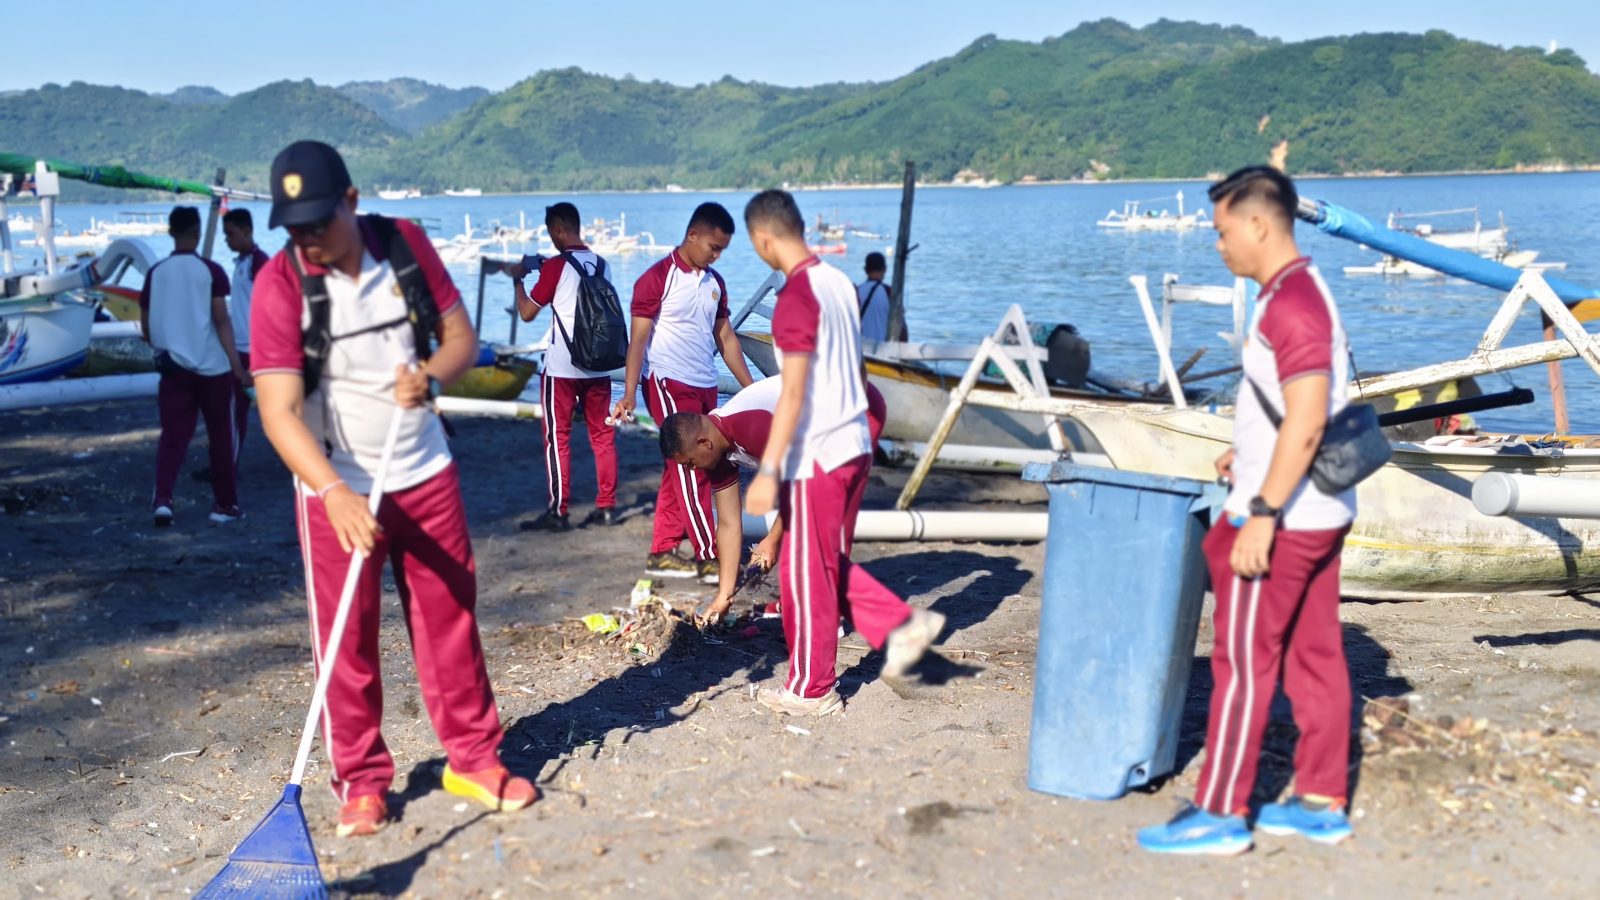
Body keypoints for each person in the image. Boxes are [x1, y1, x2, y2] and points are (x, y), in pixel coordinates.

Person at [250, 140, 535, 838]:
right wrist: (329, 492)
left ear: (350, 201)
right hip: (336, 483)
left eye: (319, 221)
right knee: (345, 637)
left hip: (423, 469)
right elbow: (277, 411)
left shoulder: (402, 245)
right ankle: (361, 781)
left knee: (449, 617)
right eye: (295, 228)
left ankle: (471, 757)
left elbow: (461, 338)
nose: (309, 239)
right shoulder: (280, 286)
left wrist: (433, 376)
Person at [1137, 166, 1358, 855]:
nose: (1218, 245)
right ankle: (1322, 799)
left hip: (1284, 519)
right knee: (1316, 655)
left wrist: (1260, 507)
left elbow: (1311, 417)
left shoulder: (1290, 304)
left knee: (1241, 663)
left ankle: (1221, 812)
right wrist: (1249, 452)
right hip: (1321, 507)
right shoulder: (1301, 291)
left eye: (1223, 231)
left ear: (1260, 225)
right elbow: (1293, 409)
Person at [739, 189, 943, 717]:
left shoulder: (796, 299)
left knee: (806, 571)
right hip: (853, 439)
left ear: (763, 239)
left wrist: (769, 473)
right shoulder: (838, 282)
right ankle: (899, 625)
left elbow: (794, 392)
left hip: (821, 450)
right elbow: (854, 370)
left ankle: (812, 689)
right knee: (819, 561)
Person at [658, 377, 888, 625]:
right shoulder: (716, 450)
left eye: (690, 463)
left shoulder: (752, 427)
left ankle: (827, 615)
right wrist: (725, 594)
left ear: (704, 443)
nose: (692, 470)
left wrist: (772, 540)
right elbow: (728, 522)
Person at [612, 202, 756, 583]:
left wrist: (753, 390)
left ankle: (662, 552)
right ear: (692, 235)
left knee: (679, 467)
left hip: (705, 384)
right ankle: (711, 560)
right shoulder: (656, 278)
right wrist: (628, 393)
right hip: (667, 382)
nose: (716, 254)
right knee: (694, 473)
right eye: (713, 246)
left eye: (722, 249)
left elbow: (725, 338)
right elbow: (637, 341)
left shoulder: (715, 283)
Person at [504, 202, 619, 531]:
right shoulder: (602, 264)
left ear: (557, 228)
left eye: (550, 232)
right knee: (602, 435)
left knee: (559, 438)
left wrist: (518, 279)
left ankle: (559, 511)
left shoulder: (556, 266)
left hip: (562, 369)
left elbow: (527, 313)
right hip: (599, 365)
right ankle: (607, 506)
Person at [140, 205, 249, 526]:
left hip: (173, 367)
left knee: (173, 436)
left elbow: (146, 326)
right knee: (221, 437)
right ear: (197, 232)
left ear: (170, 231)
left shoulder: (155, 273)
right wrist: (237, 365)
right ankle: (224, 504)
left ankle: (163, 499)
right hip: (213, 368)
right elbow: (221, 320)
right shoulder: (211, 271)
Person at [221, 207, 268, 480]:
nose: (227, 239)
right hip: (240, 348)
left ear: (247, 231)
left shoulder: (258, 262)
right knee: (233, 414)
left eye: (231, 234)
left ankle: (227, 468)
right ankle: (227, 465)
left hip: (253, 350)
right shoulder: (241, 262)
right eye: (225, 234)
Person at [855, 252, 891, 343]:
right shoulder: (890, 292)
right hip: (883, 351)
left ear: (865, 270)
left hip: (861, 350)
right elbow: (900, 326)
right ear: (885, 269)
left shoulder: (856, 292)